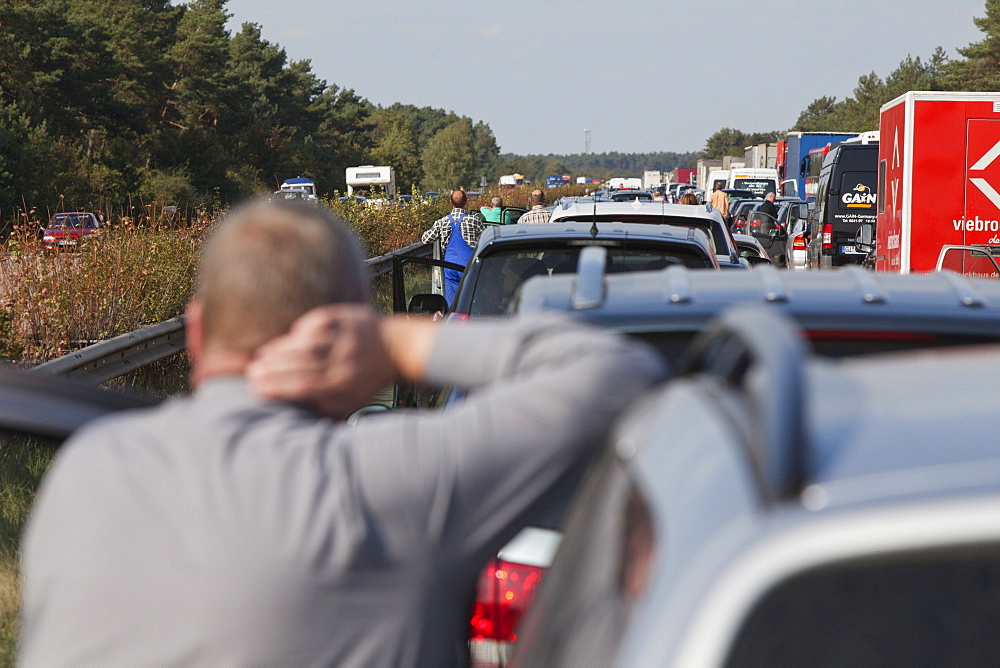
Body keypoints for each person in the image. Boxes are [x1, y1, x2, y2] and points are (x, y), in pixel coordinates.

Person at [19, 198, 665, 667]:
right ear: (350, 328)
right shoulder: (391, 481)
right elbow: (619, 372)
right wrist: (398, 341)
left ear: (194, 330)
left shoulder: (87, 471)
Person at [420, 190, 484, 303]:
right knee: (470, 299)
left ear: (450, 202)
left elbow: (425, 239)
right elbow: (485, 238)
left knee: (452, 301)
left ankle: (452, 318)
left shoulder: (441, 222)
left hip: (449, 266)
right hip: (469, 265)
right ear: (466, 202)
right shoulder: (475, 220)